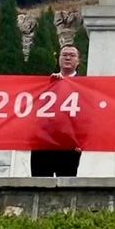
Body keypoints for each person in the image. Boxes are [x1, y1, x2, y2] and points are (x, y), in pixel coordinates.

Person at [31, 43, 83, 177]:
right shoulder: (45, 83)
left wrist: (82, 141)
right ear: (58, 59)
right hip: (42, 143)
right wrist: (50, 84)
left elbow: (87, 116)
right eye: (64, 55)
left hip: (69, 145)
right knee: (39, 184)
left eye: (72, 55)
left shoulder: (84, 86)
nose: (68, 58)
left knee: (66, 184)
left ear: (78, 61)